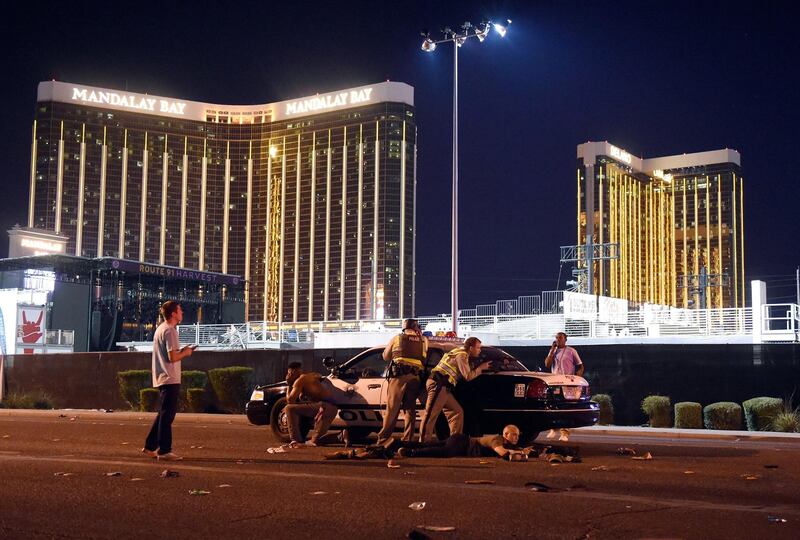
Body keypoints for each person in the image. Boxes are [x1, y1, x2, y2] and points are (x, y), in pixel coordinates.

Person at [142, 301, 194, 461]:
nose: (182, 313)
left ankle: (150, 446)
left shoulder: (161, 329)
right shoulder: (171, 331)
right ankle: (164, 450)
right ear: (173, 314)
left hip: (162, 376)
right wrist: (186, 352)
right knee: (167, 416)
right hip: (169, 377)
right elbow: (173, 357)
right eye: (180, 310)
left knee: (163, 414)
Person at [418, 337, 491, 442]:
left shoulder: (458, 351)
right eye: (478, 348)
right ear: (471, 348)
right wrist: (480, 368)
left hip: (444, 387)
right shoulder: (462, 355)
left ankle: (455, 442)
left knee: (457, 412)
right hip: (438, 385)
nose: (480, 350)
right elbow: (468, 376)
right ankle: (423, 443)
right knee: (430, 415)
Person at [376, 318, 428, 444]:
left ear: (404, 327)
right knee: (410, 409)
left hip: (399, 377)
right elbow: (424, 358)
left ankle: (384, 438)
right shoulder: (423, 340)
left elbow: (386, 356)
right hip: (415, 377)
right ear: (416, 327)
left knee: (392, 409)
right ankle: (408, 439)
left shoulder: (397, 338)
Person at [396, 424, 531, 460]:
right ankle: (410, 452)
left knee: (430, 445)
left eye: (517, 435)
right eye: (514, 435)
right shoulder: (497, 440)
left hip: (460, 440)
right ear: (505, 434)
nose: (516, 438)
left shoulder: (506, 443)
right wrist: (521, 453)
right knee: (443, 452)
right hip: (462, 444)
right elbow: (504, 454)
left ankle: (397, 444)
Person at [284, 362, 340, 446]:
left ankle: (295, 440)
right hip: (331, 408)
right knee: (315, 441)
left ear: (292, 371)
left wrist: (288, 384)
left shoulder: (299, 381)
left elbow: (290, 401)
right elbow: (319, 375)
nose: (288, 375)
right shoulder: (311, 376)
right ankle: (341, 436)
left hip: (324, 408)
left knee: (289, 408)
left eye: (289, 373)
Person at [544, 331, 584, 442]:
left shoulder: (571, 351)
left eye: (560, 338)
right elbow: (547, 364)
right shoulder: (553, 351)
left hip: (567, 383)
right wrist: (552, 350)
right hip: (555, 382)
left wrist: (576, 378)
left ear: (565, 339)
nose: (558, 339)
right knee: (553, 405)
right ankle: (553, 428)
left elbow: (580, 366)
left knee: (566, 407)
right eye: (556, 338)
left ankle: (565, 432)